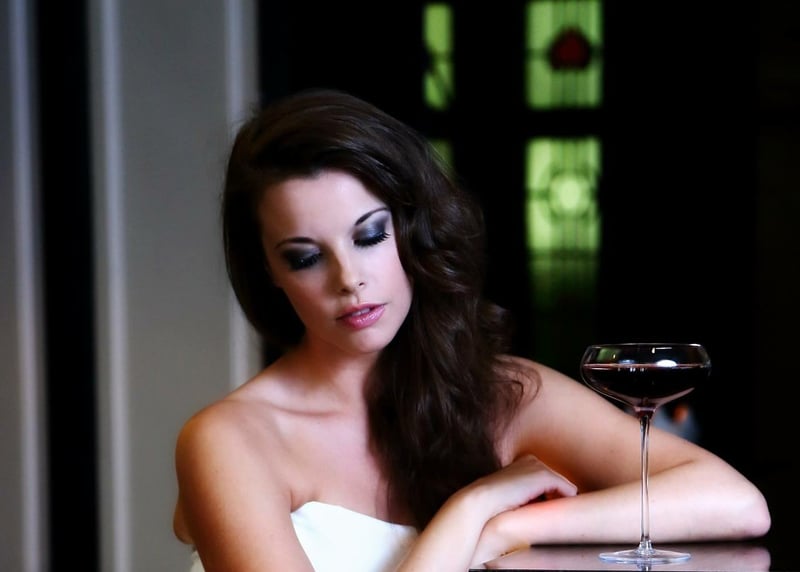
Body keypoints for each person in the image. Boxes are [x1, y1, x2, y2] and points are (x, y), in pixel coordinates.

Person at [172, 88, 770, 572]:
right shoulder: (229, 440)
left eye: (370, 235)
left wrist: (512, 526)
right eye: (305, 257)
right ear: (269, 271)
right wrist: (474, 508)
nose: (349, 279)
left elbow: (735, 503)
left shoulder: (498, 393)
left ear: (413, 229)